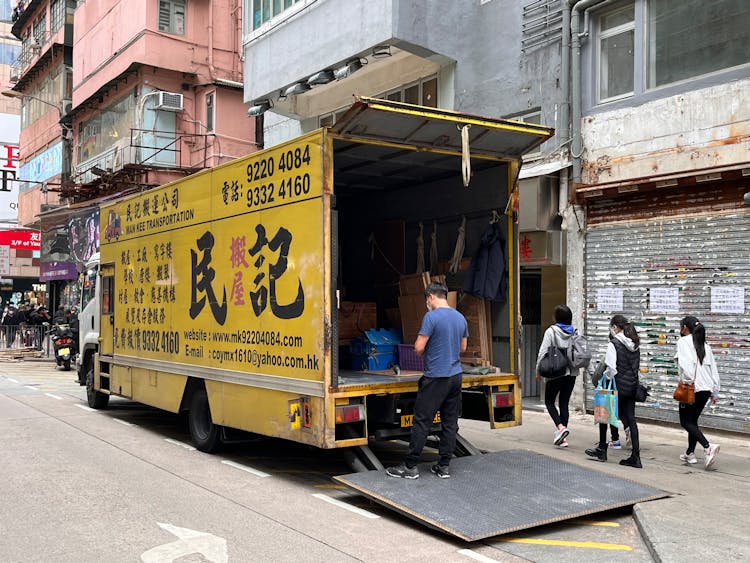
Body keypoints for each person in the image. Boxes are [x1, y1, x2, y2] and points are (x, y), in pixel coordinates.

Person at [386, 282, 468, 480]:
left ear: (431, 297)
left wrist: (429, 347)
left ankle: (410, 466)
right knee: (450, 422)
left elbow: (419, 347)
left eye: (427, 300)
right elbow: (463, 348)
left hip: (436, 377)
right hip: (455, 376)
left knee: (422, 421)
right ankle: (444, 466)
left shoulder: (431, 317)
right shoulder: (460, 317)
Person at [585, 314, 643, 468]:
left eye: (612, 327)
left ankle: (602, 449)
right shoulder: (635, 343)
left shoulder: (614, 343)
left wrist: (606, 377)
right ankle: (636, 457)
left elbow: (611, 368)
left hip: (616, 385)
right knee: (631, 419)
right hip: (631, 386)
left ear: (616, 327)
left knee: (604, 413)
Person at [675, 316, 721, 469]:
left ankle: (708, 447)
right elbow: (713, 369)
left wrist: (686, 382)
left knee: (685, 422)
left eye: (681, 326)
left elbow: (685, 366)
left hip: (691, 388)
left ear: (685, 328)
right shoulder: (705, 345)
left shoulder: (683, 342)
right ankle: (690, 453)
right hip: (706, 389)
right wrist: (715, 392)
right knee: (692, 421)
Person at [535, 305, 576, 447]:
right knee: (564, 403)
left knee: (549, 402)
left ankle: (561, 428)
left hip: (555, 372)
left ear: (556, 318)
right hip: (571, 374)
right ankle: (562, 437)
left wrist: (538, 370)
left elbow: (542, 352)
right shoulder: (575, 332)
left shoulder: (551, 332)